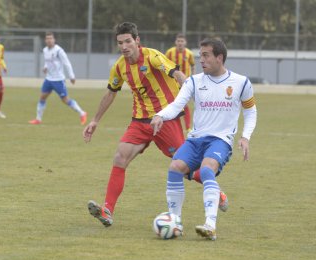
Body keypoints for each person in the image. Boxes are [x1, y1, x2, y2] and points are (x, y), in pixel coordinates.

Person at [83, 22, 227, 228]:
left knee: (185, 167)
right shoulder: (119, 67)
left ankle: (216, 191)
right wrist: (95, 120)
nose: (124, 46)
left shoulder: (153, 56)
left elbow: (177, 74)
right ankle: (107, 210)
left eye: (128, 41)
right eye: (120, 43)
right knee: (119, 157)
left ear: (137, 41)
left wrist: (196, 95)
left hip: (165, 120)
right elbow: (110, 93)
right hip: (139, 122)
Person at [151, 38, 257, 241]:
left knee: (207, 169)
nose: (202, 60)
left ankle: (210, 225)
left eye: (206, 55)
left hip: (220, 140)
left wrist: (245, 137)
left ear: (219, 57)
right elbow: (177, 104)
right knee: (175, 168)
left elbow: (250, 111)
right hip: (195, 139)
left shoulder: (241, 82)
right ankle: (175, 221)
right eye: (201, 56)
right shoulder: (193, 81)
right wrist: (160, 115)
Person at [29, 32, 87, 125]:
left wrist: (71, 76)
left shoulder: (59, 51)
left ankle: (82, 113)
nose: (49, 40)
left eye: (51, 38)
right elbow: (47, 61)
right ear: (45, 40)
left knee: (65, 100)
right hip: (48, 79)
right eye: (47, 38)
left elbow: (66, 63)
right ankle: (38, 119)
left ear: (54, 40)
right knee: (42, 97)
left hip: (58, 80)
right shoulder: (45, 50)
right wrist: (45, 67)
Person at [165, 34, 195, 131]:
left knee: (185, 104)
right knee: (171, 104)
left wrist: (192, 78)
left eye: (182, 41)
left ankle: (188, 127)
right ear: (175, 42)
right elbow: (164, 65)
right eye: (178, 41)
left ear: (185, 43)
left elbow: (193, 65)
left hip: (185, 84)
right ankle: (171, 126)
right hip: (172, 83)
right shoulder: (170, 52)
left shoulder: (189, 53)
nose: (180, 43)